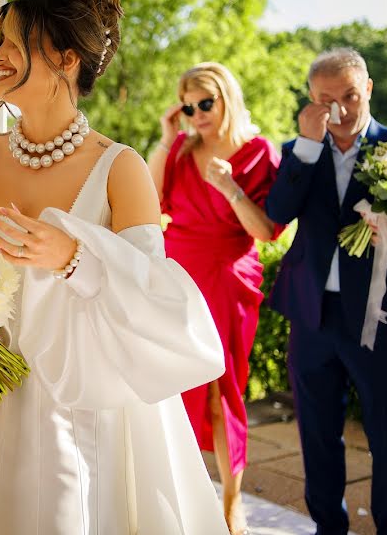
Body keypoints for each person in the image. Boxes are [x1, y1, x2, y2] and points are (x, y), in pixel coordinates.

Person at [0, 0, 227, 534]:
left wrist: (74, 258)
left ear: (66, 60)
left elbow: (152, 303)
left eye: (14, 43)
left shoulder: (121, 168)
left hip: (78, 407)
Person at [265, 48, 387, 535]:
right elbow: (278, 211)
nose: (339, 109)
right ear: (310, 99)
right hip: (312, 315)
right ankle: (328, 527)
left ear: (367, 89)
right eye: (326, 99)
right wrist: (306, 142)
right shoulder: (298, 149)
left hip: (381, 318)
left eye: (348, 95)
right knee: (317, 435)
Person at [148, 62, 283, 534]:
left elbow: (265, 231)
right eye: (189, 106)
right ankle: (172, 493)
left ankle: (231, 501)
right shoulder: (182, 149)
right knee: (170, 383)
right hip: (177, 271)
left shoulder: (259, 152)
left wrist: (228, 187)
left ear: (227, 98)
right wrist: (167, 136)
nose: (197, 114)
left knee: (221, 391)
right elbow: (148, 198)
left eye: (206, 102)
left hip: (228, 277)